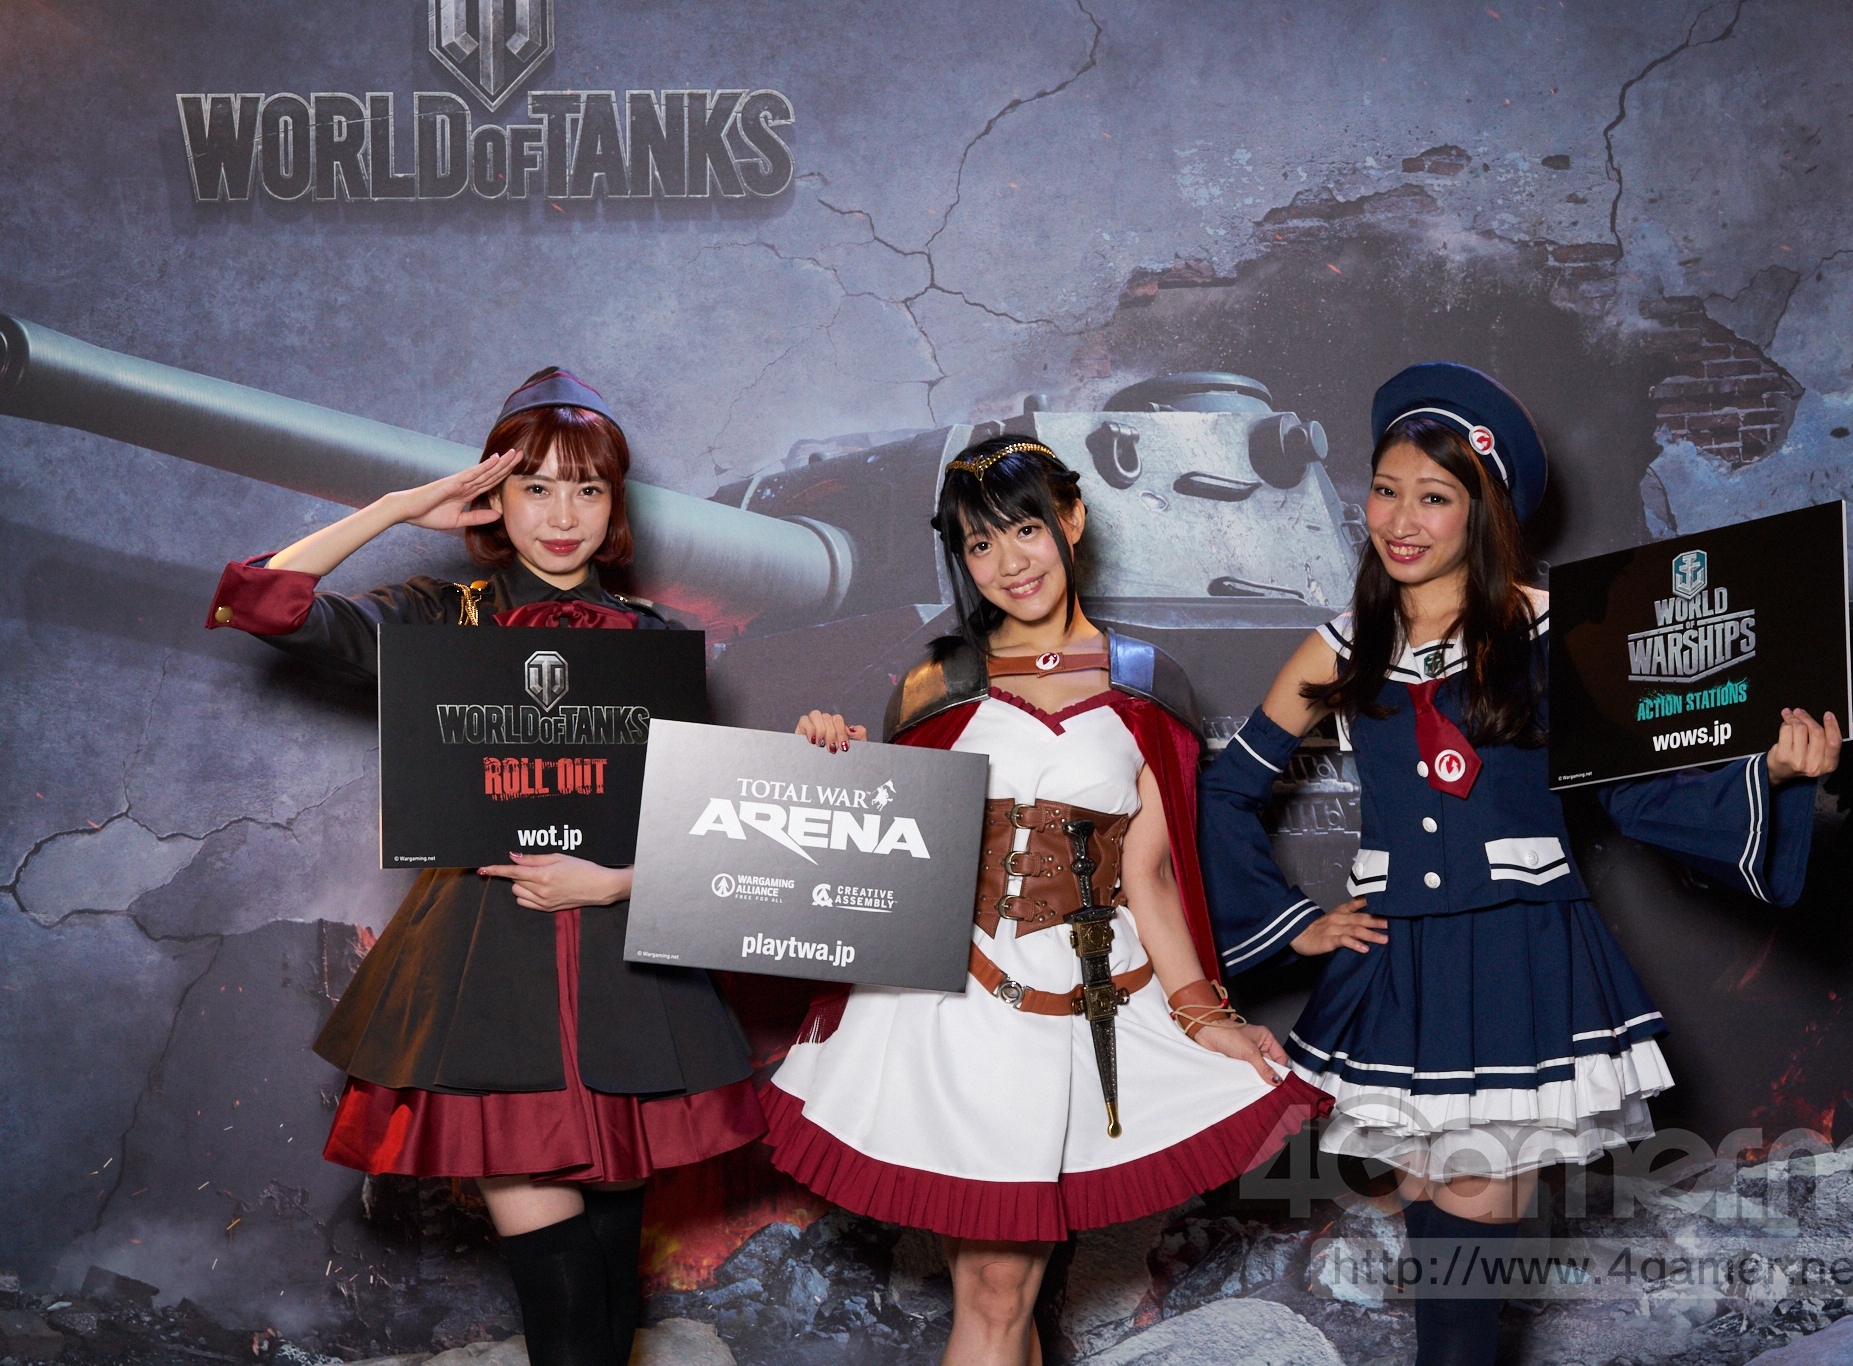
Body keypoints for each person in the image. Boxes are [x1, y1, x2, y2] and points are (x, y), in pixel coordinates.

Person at [1198, 364, 1844, 1366]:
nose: (1400, 519)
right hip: (1398, 968)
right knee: (1432, 1213)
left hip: (1516, 955)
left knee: (1467, 1212)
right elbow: (1226, 790)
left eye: (1433, 497)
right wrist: (1298, 921)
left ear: (1483, 511)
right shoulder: (1340, 647)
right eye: (1386, 490)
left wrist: (1773, 772)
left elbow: (1633, 797)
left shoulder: (1560, 632)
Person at [203, 369, 764, 1366]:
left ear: (616, 506)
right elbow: (264, 603)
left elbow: (708, 834)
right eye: (534, 487)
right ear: (494, 497)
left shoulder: (658, 641)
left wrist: (613, 882)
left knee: (609, 1306)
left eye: (587, 489)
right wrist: (394, 508)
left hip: (629, 984)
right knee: (564, 1317)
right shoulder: (439, 614)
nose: (563, 515)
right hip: (483, 980)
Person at [765, 435, 1329, 1366]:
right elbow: (883, 852)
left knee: (1003, 1296)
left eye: (1025, 529)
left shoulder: (1146, 680)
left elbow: (1152, 874)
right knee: (995, 1291)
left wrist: (1205, 1015)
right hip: (950, 1007)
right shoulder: (935, 682)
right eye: (980, 544)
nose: (1009, 562)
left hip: (1085, 1003)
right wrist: (832, 761)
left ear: (1071, 519)